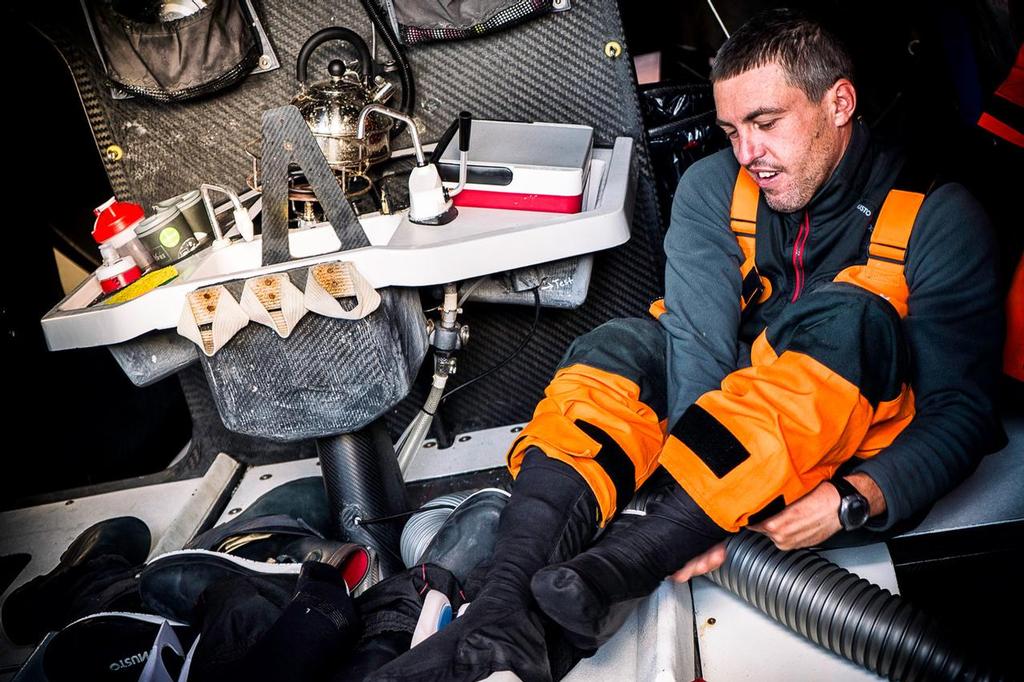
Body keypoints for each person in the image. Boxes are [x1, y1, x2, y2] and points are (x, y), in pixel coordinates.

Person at [372, 8, 1005, 682]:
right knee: (620, 347)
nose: (747, 153)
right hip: (723, 457)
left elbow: (959, 414)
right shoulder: (713, 188)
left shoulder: (937, 217)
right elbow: (698, 349)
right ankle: (502, 613)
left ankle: (621, 564)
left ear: (839, 103)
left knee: (855, 321)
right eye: (732, 130)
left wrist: (852, 499)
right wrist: (703, 502)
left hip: (843, 453)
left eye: (766, 124)